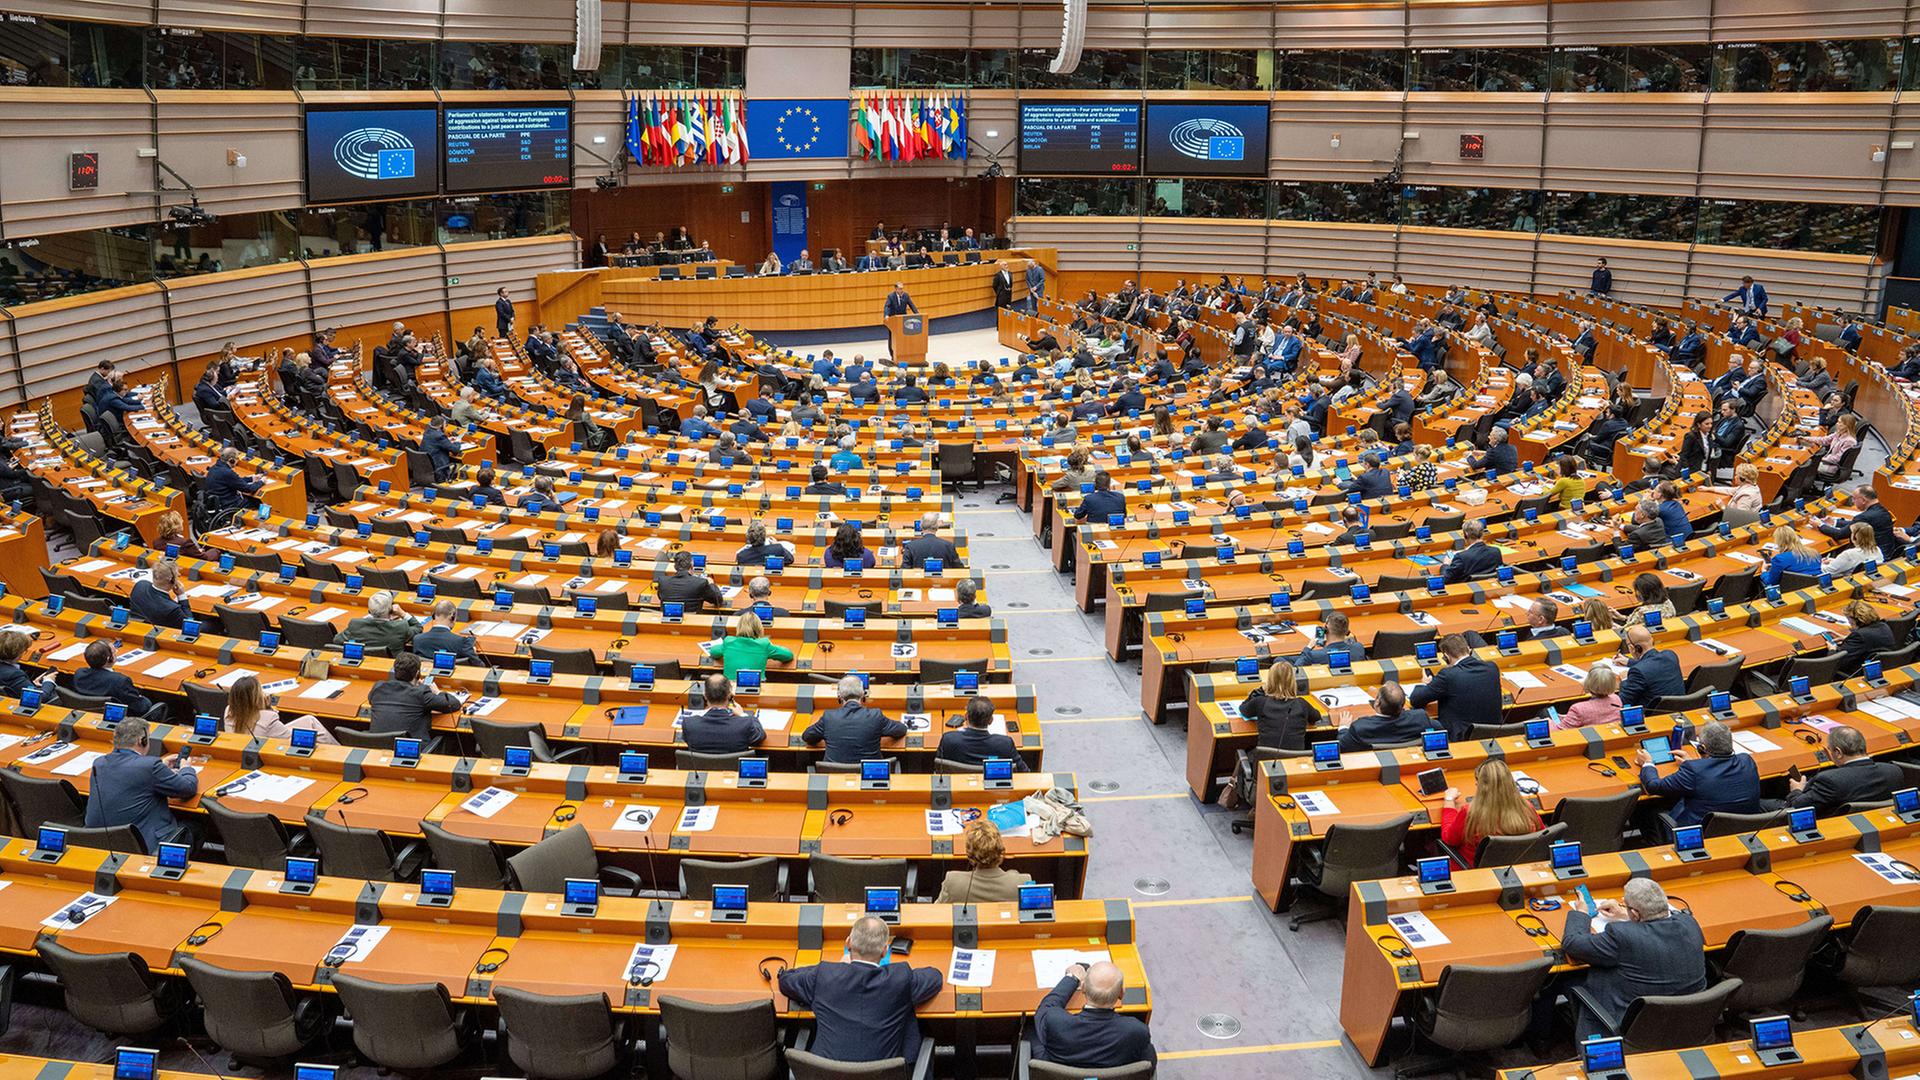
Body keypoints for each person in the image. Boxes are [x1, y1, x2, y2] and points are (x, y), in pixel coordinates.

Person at [777, 916, 942, 1064]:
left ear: (848, 943)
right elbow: (935, 976)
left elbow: (786, 980)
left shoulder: (824, 975)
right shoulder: (900, 978)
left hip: (827, 1074)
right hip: (882, 1075)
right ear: (885, 951)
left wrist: (838, 967)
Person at [1561, 878, 1707, 1043]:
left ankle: (1541, 1045)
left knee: (1563, 978)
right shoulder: (1689, 922)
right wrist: (1626, 915)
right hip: (1686, 1021)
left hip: (1635, 1023)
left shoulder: (1621, 936)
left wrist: (1581, 913)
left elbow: (1572, 943)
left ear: (1636, 914)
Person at [85, 717, 198, 851]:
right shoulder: (150, 766)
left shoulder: (99, 763)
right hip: (141, 844)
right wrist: (186, 768)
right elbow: (188, 788)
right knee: (196, 826)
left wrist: (161, 767)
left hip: (102, 842)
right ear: (142, 741)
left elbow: (131, 776)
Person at [1033, 960, 1157, 1072]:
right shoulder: (1136, 1031)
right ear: (1121, 993)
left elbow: (1047, 1006)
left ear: (1083, 988)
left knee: (1031, 1031)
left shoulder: (1056, 1022)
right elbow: (1147, 1066)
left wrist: (1072, 978)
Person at [1637, 719, 1760, 827]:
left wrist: (1647, 763)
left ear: (1702, 748)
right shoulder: (1747, 760)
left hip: (1698, 833)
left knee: (1646, 809)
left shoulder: (1694, 771)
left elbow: (1653, 786)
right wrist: (1694, 763)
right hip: (1744, 827)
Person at [1440, 759, 1544, 868]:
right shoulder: (1527, 807)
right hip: (1519, 869)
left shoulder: (1470, 812)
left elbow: (1449, 839)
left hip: (1478, 873)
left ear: (1479, 784)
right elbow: (1540, 836)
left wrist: (1449, 800)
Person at [1780, 725, 1903, 814]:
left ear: (1838, 752)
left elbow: (1798, 808)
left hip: (1829, 827)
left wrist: (1796, 790)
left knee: (1765, 804)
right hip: (1878, 822)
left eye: (1830, 749)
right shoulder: (1894, 771)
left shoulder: (1830, 780)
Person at [1407, 634, 1499, 741]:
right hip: (1493, 732)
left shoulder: (1448, 675)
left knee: (1419, 717)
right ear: (1469, 650)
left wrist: (1424, 683)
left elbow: (1416, 699)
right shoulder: (1492, 667)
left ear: (1446, 656)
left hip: (1461, 737)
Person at [803, 674, 907, 763]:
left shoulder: (828, 717)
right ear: (863, 694)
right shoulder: (875, 716)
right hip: (870, 777)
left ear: (839, 696)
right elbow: (901, 730)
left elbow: (807, 736)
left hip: (834, 777)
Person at [367, 652, 466, 742]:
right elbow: (453, 704)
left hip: (379, 745)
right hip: (412, 749)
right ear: (417, 673)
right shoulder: (420, 693)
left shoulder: (378, 687)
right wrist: (437, 692)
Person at [935, 819, 1032, 902]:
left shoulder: (953, 882)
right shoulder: (1022, 882)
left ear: (969, 855)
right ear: (1000, 851)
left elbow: (937, 912)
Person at [225, 673, 335, 746]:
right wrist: (268, 707)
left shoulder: (229, 710)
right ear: (255, 698)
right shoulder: (268, 717)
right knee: (317, 733)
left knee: (310, 720)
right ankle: (340, 752)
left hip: (247, 742)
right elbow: (287, 737)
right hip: (273, 745)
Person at [1239, 659, 1322, 751]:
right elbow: (1316, 717)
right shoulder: (1302, 704)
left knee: (1247, 750)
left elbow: (1243, 709)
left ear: (1270, 680)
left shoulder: (1260, 702)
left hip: (1265, 761)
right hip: (1295, 760)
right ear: (1293, 681)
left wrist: (1260, 690)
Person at [73, 640, 159, 719]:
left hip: (86, 716)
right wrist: (142, 698)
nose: (116, 653)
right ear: (108, 658)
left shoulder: (79, 674)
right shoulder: (120, 681)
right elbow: (141, 708)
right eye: (114, 652)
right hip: (121, 719)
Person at [682, 674, 766, 754]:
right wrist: (743, 714)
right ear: (729, 694)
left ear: (705, 695)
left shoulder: (689, 724)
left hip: (700, 768)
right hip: (734, 768)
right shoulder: (745, 724)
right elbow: (760, 736)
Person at [936, 695, 1024, 769]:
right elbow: (1024, 772)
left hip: (958, 787)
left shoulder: (948, 739)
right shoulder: (1005, 744)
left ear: (966, 717)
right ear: (991, 720)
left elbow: (938, 767)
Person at [702, 611, 794, 680]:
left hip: (729, 688)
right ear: (759, 628)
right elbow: (788, 655)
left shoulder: (728, 641)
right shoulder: (764, 644)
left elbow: (713, 651)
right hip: (756, 686)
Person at [1336, 683, 1425, 752]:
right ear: (1403, 704)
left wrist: (1343, 728)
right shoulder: (1420, 718)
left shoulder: (1360, 727)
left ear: (1377, 702)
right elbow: (1438, 728)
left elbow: (1342, 746)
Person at [1819, 486, 1899, 557]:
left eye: (1854, 498)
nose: (1853, 502)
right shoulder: (1882, 511)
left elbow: (1839, 534)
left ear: (1863, 500)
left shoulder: (1864, 517)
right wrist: (1835, 522)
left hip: (1873, 556)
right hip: (1886, 551)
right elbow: (1856, 524)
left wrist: (1820, 525)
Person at [1616, 625, 1683, 708]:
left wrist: (1625, 680)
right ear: (1652, 640)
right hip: (1680, 709)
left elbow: (1623, 701)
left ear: (1632, 648)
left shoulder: (1638, 671)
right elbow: (1652, 665)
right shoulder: (1670, 655)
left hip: (1652, 715)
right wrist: (1628, 662)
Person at [335, 590, 420, 654]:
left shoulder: (355, 625)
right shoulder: (400, 627)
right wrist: (403, 613)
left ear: (369, 610)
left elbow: (337, 640)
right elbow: (418, 628)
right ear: (391, 610)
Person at [1835, 598, 1895, 676]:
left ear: (1856, 620)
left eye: (1849, 619)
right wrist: (1848, 639)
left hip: (1857, 673)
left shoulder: (1859, 636)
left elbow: (1838, 662)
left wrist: (1832, 650)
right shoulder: (1884, 625)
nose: (1849, 622)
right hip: (1883, 668)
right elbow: (1868, 641)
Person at [411, 600, 480, 667]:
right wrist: (471, 648)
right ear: (452, 616)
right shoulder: (461, 642)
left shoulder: (417, 639)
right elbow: (479, 666)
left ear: (434, 616)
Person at [129, 559, 191, 629]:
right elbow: (189, 625)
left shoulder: (140, 585)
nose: (179, 575)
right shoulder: (172, 609)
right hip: (160, 634)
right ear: (171, 579)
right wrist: (182, 596)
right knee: (205, 625)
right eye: (177, 573)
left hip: (136, 627)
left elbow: (155, 601)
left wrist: (172, 602)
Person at [204, 446, 265, 515]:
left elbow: (234, 481)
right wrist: (261, 482)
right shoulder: (227, 472)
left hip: (219, 502)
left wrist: (251, 478)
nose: (237, 461)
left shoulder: (215, 467)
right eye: (237, 459)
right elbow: (248, 489)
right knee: (258, 502)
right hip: (228, 505)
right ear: (231, 460)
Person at [1294, 611, 1367, 667]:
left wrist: (1308, 647)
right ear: (1347, 631)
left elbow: (1297, 669)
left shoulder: (1314, 655)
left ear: (1326, 629)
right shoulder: (1359, 648)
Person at [1559, 665, 1622, 730]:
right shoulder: (1616, 699)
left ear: (1588, 682)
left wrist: (1550, 722)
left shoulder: (1578, 709)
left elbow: (1560, 731)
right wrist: (1570, 718)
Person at [659, 550, 725, 610]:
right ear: (692, 565)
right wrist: (711, 584)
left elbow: (661, 597)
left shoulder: (663, 581)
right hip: (694, 620)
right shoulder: (700, 583)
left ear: (675, 567)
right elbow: (718, 600)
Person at [1442, 519, 1503, 584]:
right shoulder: (1496, 552)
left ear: (1466, 534)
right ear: (1482, 533)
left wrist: (1446, 564)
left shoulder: (1461, 557)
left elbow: (1445, 579)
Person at [0, 630, 39, 699]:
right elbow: (35, 697)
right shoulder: (14, 674)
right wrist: (48, 681)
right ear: (19, 653)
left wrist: (30, 684)